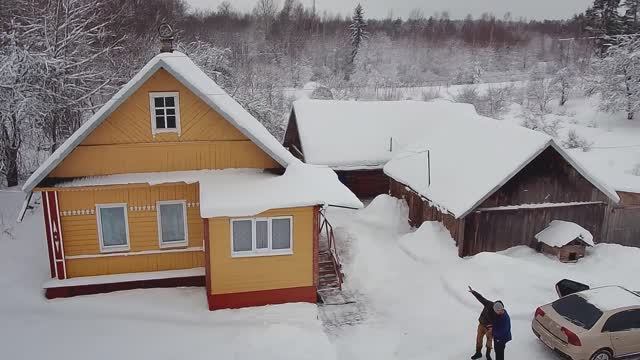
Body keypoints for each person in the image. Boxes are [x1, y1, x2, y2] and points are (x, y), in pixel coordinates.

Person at [468, 286, 511, 360]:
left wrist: (493, 329)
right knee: (479, 338)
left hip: (490, 327)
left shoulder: (500, 312)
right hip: (482, 324)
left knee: (489, 340)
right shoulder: (488, 304)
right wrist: (473, 292)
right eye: (498, 309)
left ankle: (488, 354)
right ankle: (478, 353)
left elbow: (502, 324)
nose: (499, 311)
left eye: (501, 309)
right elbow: (481, 298)